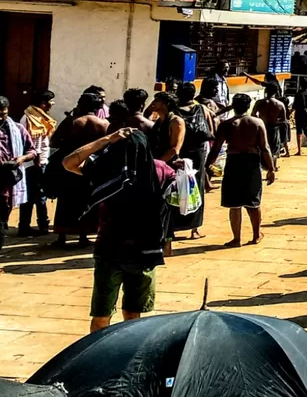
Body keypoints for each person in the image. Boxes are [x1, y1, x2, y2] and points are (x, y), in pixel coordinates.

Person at [62, 118, 173, 331]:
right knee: (134, 315)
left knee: (102, 314)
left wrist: (106, 139)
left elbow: (69, 162)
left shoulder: (107, 170)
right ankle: (129, 354)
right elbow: (179, 201)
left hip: (110, 248)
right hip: (145, 249)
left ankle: (98, 353)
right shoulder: (160, 170)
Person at [206, 93, 276, 247]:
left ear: (233, 105)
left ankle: (236, 238)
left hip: (233, 162)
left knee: (234, 203)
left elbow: (216, 148)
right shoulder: (257, 123)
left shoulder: (226, 124)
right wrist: (271, 168)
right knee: (253, 201)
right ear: (248, 106)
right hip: (251, 163)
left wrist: (207, 166)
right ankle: (256, 235)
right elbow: (265, 148)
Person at [154, 82, 213, 242]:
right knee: (195, 187)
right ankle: (195, 229)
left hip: (175, 156)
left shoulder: (172, 114)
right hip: (196, 154)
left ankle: (172, 226)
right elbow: (210, 130)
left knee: (172, 189)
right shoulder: (202, 108)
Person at [51, 90, 109, 246]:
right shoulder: (104, 124)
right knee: (87, 201)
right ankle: (83, 236)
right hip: (91, 167)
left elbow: (53, 142)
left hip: (70, 166)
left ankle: (61, 237)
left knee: (65, 201)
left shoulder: (73, 122)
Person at [16, 90, 56, 235]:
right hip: (35, 164)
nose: (53, 104)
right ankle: (40, 225)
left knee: (33, 195)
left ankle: (27, 225)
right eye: (51, 101)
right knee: (39, 195)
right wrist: (38, 164)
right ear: (43, 103)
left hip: (34, 163)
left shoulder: (35, 116)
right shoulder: (34, 118)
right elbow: (35, 144)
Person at [0, 96, 38, 247]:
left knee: (1, 220)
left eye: (3, 114)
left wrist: (21, 159)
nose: (0, 117)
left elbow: (32, 151)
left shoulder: (17, 129)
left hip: (6, 182)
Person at [254, 81, 290, 159]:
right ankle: (273, 166)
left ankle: (264, 166)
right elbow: (284, 120)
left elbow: (253, 115)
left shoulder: (259, 103)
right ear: (276, 91)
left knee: (262, 147)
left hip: (262, 127)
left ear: (266, 91)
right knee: (274, 150)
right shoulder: (280, 104)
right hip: (274, 129)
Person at [293, 85, 307, 156]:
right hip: (306, 115)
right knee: (306, 131)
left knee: (298, 132)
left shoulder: (298, 95)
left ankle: (299, 150)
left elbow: (294, 106)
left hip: (299, 114)